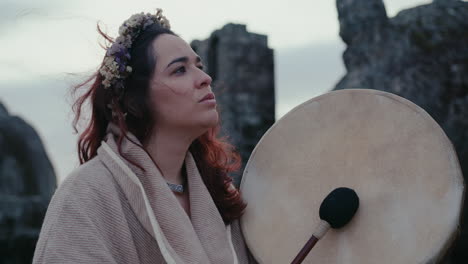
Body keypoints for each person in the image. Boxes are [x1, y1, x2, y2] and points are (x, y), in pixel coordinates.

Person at [33, 9, 256, 263]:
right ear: (135, 100)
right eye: (180, 70)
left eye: (199, 66)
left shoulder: (220, 193)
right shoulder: (86, 196)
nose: (205, 79)